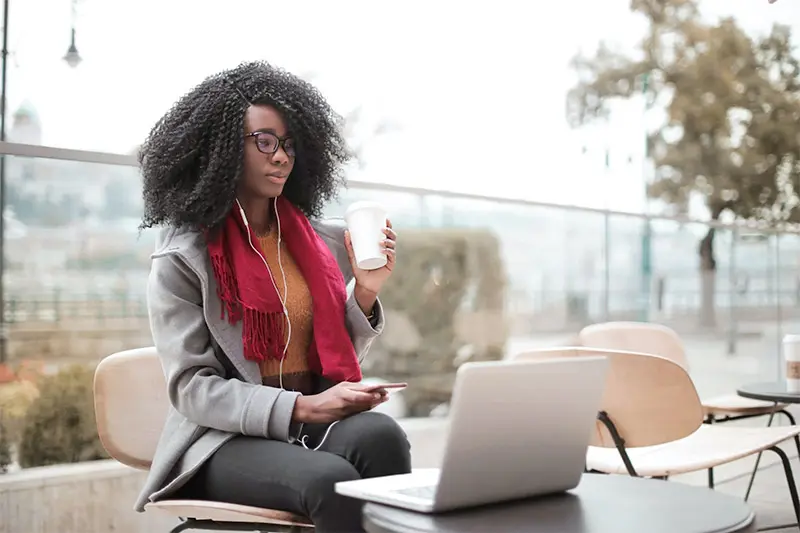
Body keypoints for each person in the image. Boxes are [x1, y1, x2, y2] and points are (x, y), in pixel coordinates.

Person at [133, 61, 412, 532]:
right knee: (331, 480)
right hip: (222, 440)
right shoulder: (184, 256)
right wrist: (303, 408)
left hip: (308, 421)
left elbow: (327, 349)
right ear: (220, 149)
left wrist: (365, 291)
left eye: (288, 144)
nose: (281, 156)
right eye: (264, 141)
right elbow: (192, 388)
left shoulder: (317, 241)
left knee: (384, 436)